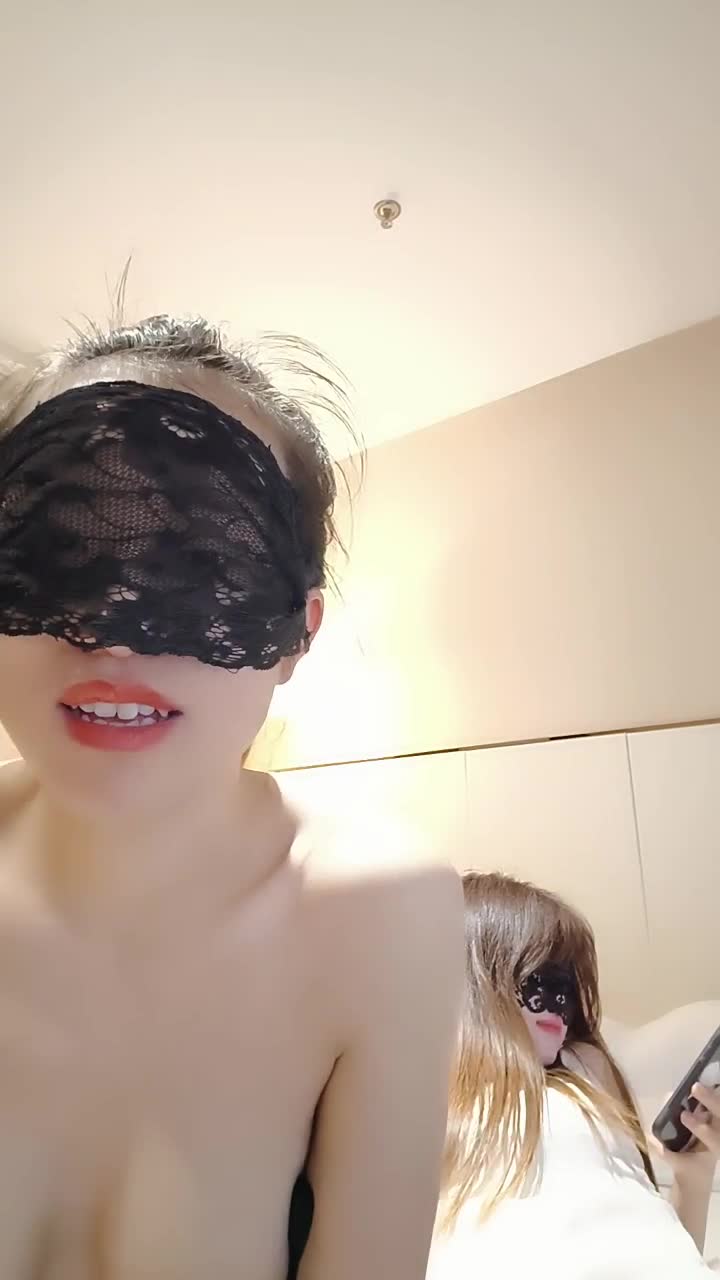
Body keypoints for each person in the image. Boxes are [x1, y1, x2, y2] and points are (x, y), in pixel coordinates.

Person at [0, 314, 463, 1278]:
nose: (112, 634)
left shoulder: (381, 909)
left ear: (298, 635)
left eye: (201, 567)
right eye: (58, 549)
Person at [428, 871, 718, 1278]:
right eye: (535, 974)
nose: (559, 999)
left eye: (566, 978)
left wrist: (694, 1179)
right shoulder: (424, 1095)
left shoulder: (583, 1069)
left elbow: (655, 1246)